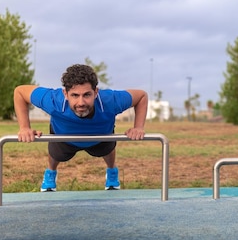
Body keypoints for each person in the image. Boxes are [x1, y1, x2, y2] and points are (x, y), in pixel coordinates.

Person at [14, 64, 148, 191]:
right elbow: (20, 92)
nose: (81, 102)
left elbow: (141, 96)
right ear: (65, 94)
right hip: (64, 137)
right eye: (75, 95)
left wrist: (138, 127)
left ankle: (112, 171)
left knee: (108, 149)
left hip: (100, 136)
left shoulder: (111, 100)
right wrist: (25, 127)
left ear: (96, 93)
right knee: (56, 155)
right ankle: (51, 172)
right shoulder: (53, 101)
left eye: (87, 95)